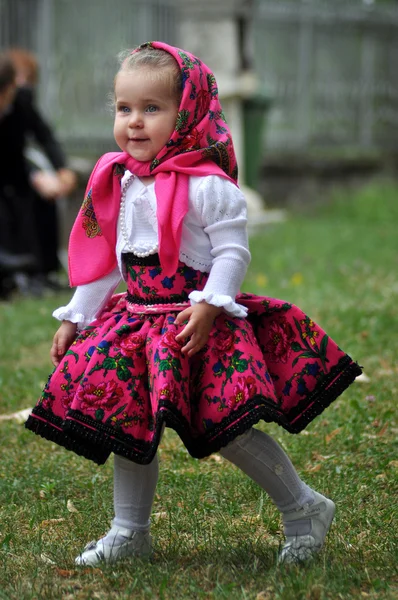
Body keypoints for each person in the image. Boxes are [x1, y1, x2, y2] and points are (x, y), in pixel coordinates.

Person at [25, 42, 362, 567]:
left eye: (152, 109)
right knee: (127, 423)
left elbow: (232, 251)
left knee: (227, 430)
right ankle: (129, 531)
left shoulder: (207, 186)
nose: (135, 123)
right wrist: (78, 314)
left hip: (193, 323)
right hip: (136, 324)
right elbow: (112, 263)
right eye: (124, 108)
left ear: (188, 115)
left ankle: (304, 507)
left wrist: (211, 303)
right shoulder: (121, 181)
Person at [0, 49, 76, 297]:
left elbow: (44, 135)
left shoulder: (21, 101)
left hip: (16, 171)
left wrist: (62, 169)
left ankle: (43, 271)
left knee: (44, 200)